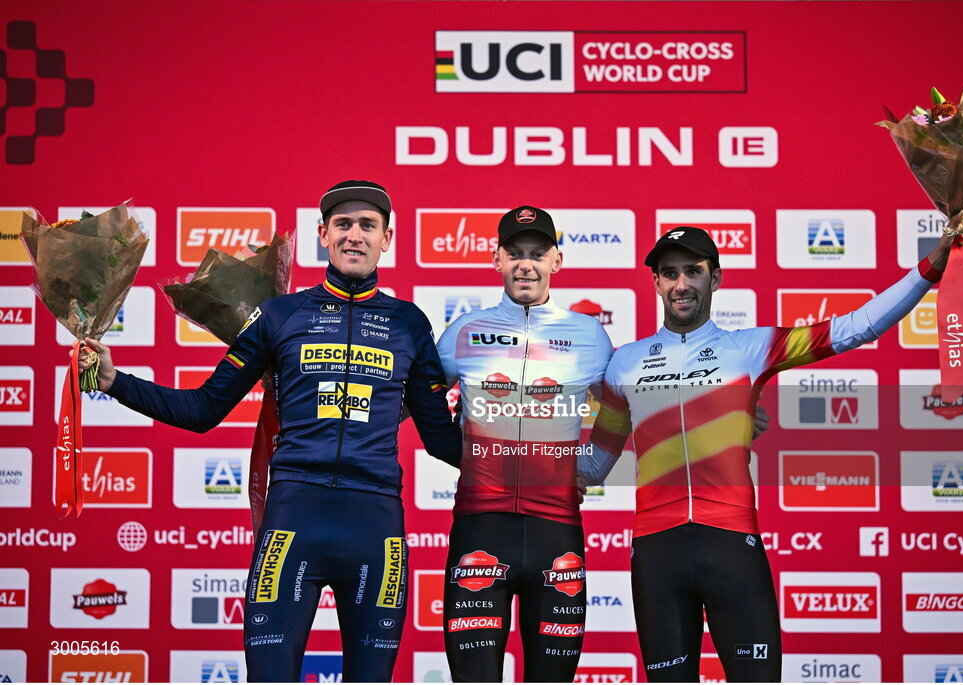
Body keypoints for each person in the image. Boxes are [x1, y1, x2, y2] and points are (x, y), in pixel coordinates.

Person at [79, 180, 461, 683]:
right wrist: (113, 380)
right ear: (323, 234)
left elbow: (442, 440)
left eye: (368, 225)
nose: (354, 236)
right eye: (343, 224)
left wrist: (542, 459)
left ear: (387, 238)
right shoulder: (281, 315)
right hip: (293, 521)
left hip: (376, 527)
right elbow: (202, 409)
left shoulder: (409, 324)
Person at [579, 217, 963, 682]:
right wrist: (500, 443)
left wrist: (933, 264)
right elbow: (592, 467)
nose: (681, 284)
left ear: (716, 276)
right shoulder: (623, 363)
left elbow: (857, 327)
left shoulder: (751, 347)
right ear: (655, 282)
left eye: (693, 270)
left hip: (731, 544)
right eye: (670, 273)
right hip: (655, 552)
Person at [434, 206, 613, 681]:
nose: (525, 264)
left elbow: (626, 406)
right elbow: (409, 398)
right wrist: (458, 450)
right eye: (515, 253)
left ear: (558, 260)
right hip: (480, 528)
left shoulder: (588, 334)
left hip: (556, 533)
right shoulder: (465, 330)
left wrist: (593, 468)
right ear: (496, 260)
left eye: (538, 253)